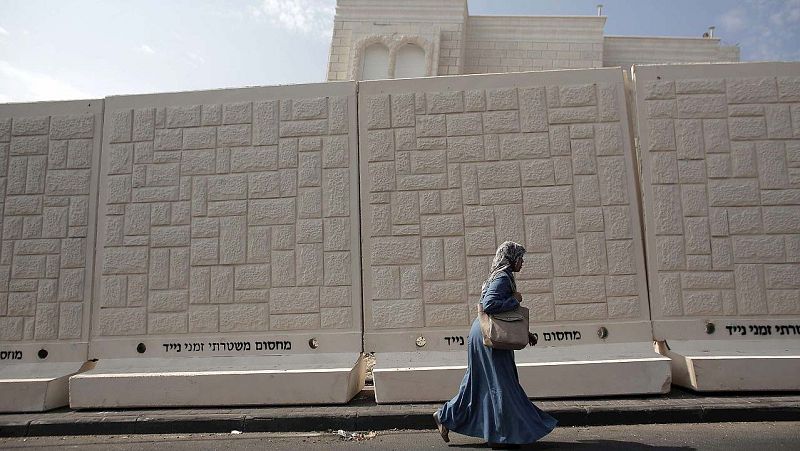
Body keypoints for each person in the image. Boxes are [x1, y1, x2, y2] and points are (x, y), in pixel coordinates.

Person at [433, 241, 557, 448]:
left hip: (485, 333)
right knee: (501, 384)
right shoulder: (502, 277)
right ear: (511, 258)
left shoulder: (501, 276)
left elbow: (503, 316)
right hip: (489, 338)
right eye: (520, 258)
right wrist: (515, 299)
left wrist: (525, 333)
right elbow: (490, 305)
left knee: (478, 383)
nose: (523, 262)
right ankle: (500, 435)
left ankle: (445, 416)